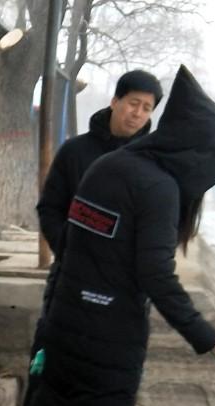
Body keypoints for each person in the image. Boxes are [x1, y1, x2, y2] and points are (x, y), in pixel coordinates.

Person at [23, 65, 215, 406]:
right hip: (108, 339)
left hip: (64, 319)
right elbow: (154, 273)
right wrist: (202, 334)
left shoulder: (110, 165)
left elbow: (82, 241)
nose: (139, 113)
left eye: (147, 107)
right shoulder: (157, 188)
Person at [35, 69, 163, 265]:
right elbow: (50, 207)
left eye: (146, 108)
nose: (137, 114)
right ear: (115, 102)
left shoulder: (153, 161)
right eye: (133, 103)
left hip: (127, 278)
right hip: (73, 273)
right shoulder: (74, 151)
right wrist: (66, 250)